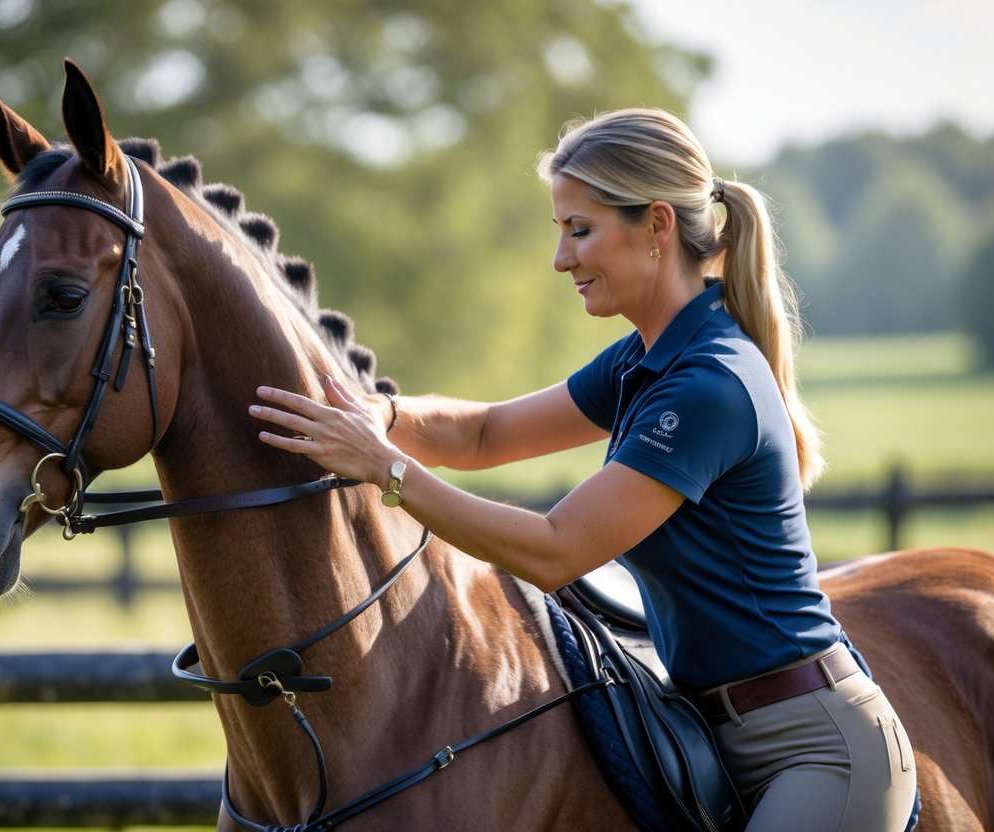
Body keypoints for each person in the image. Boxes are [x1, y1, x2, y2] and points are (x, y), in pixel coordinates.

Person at [249, 108, 918, 831]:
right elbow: (479, 433)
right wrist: (376, 413)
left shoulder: (707, 385)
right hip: (703, 733)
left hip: (816, 752)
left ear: (657, 225)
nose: (560, 259)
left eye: (579, 229)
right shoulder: (645, 358)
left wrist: (388, 472)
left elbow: (557, 548)